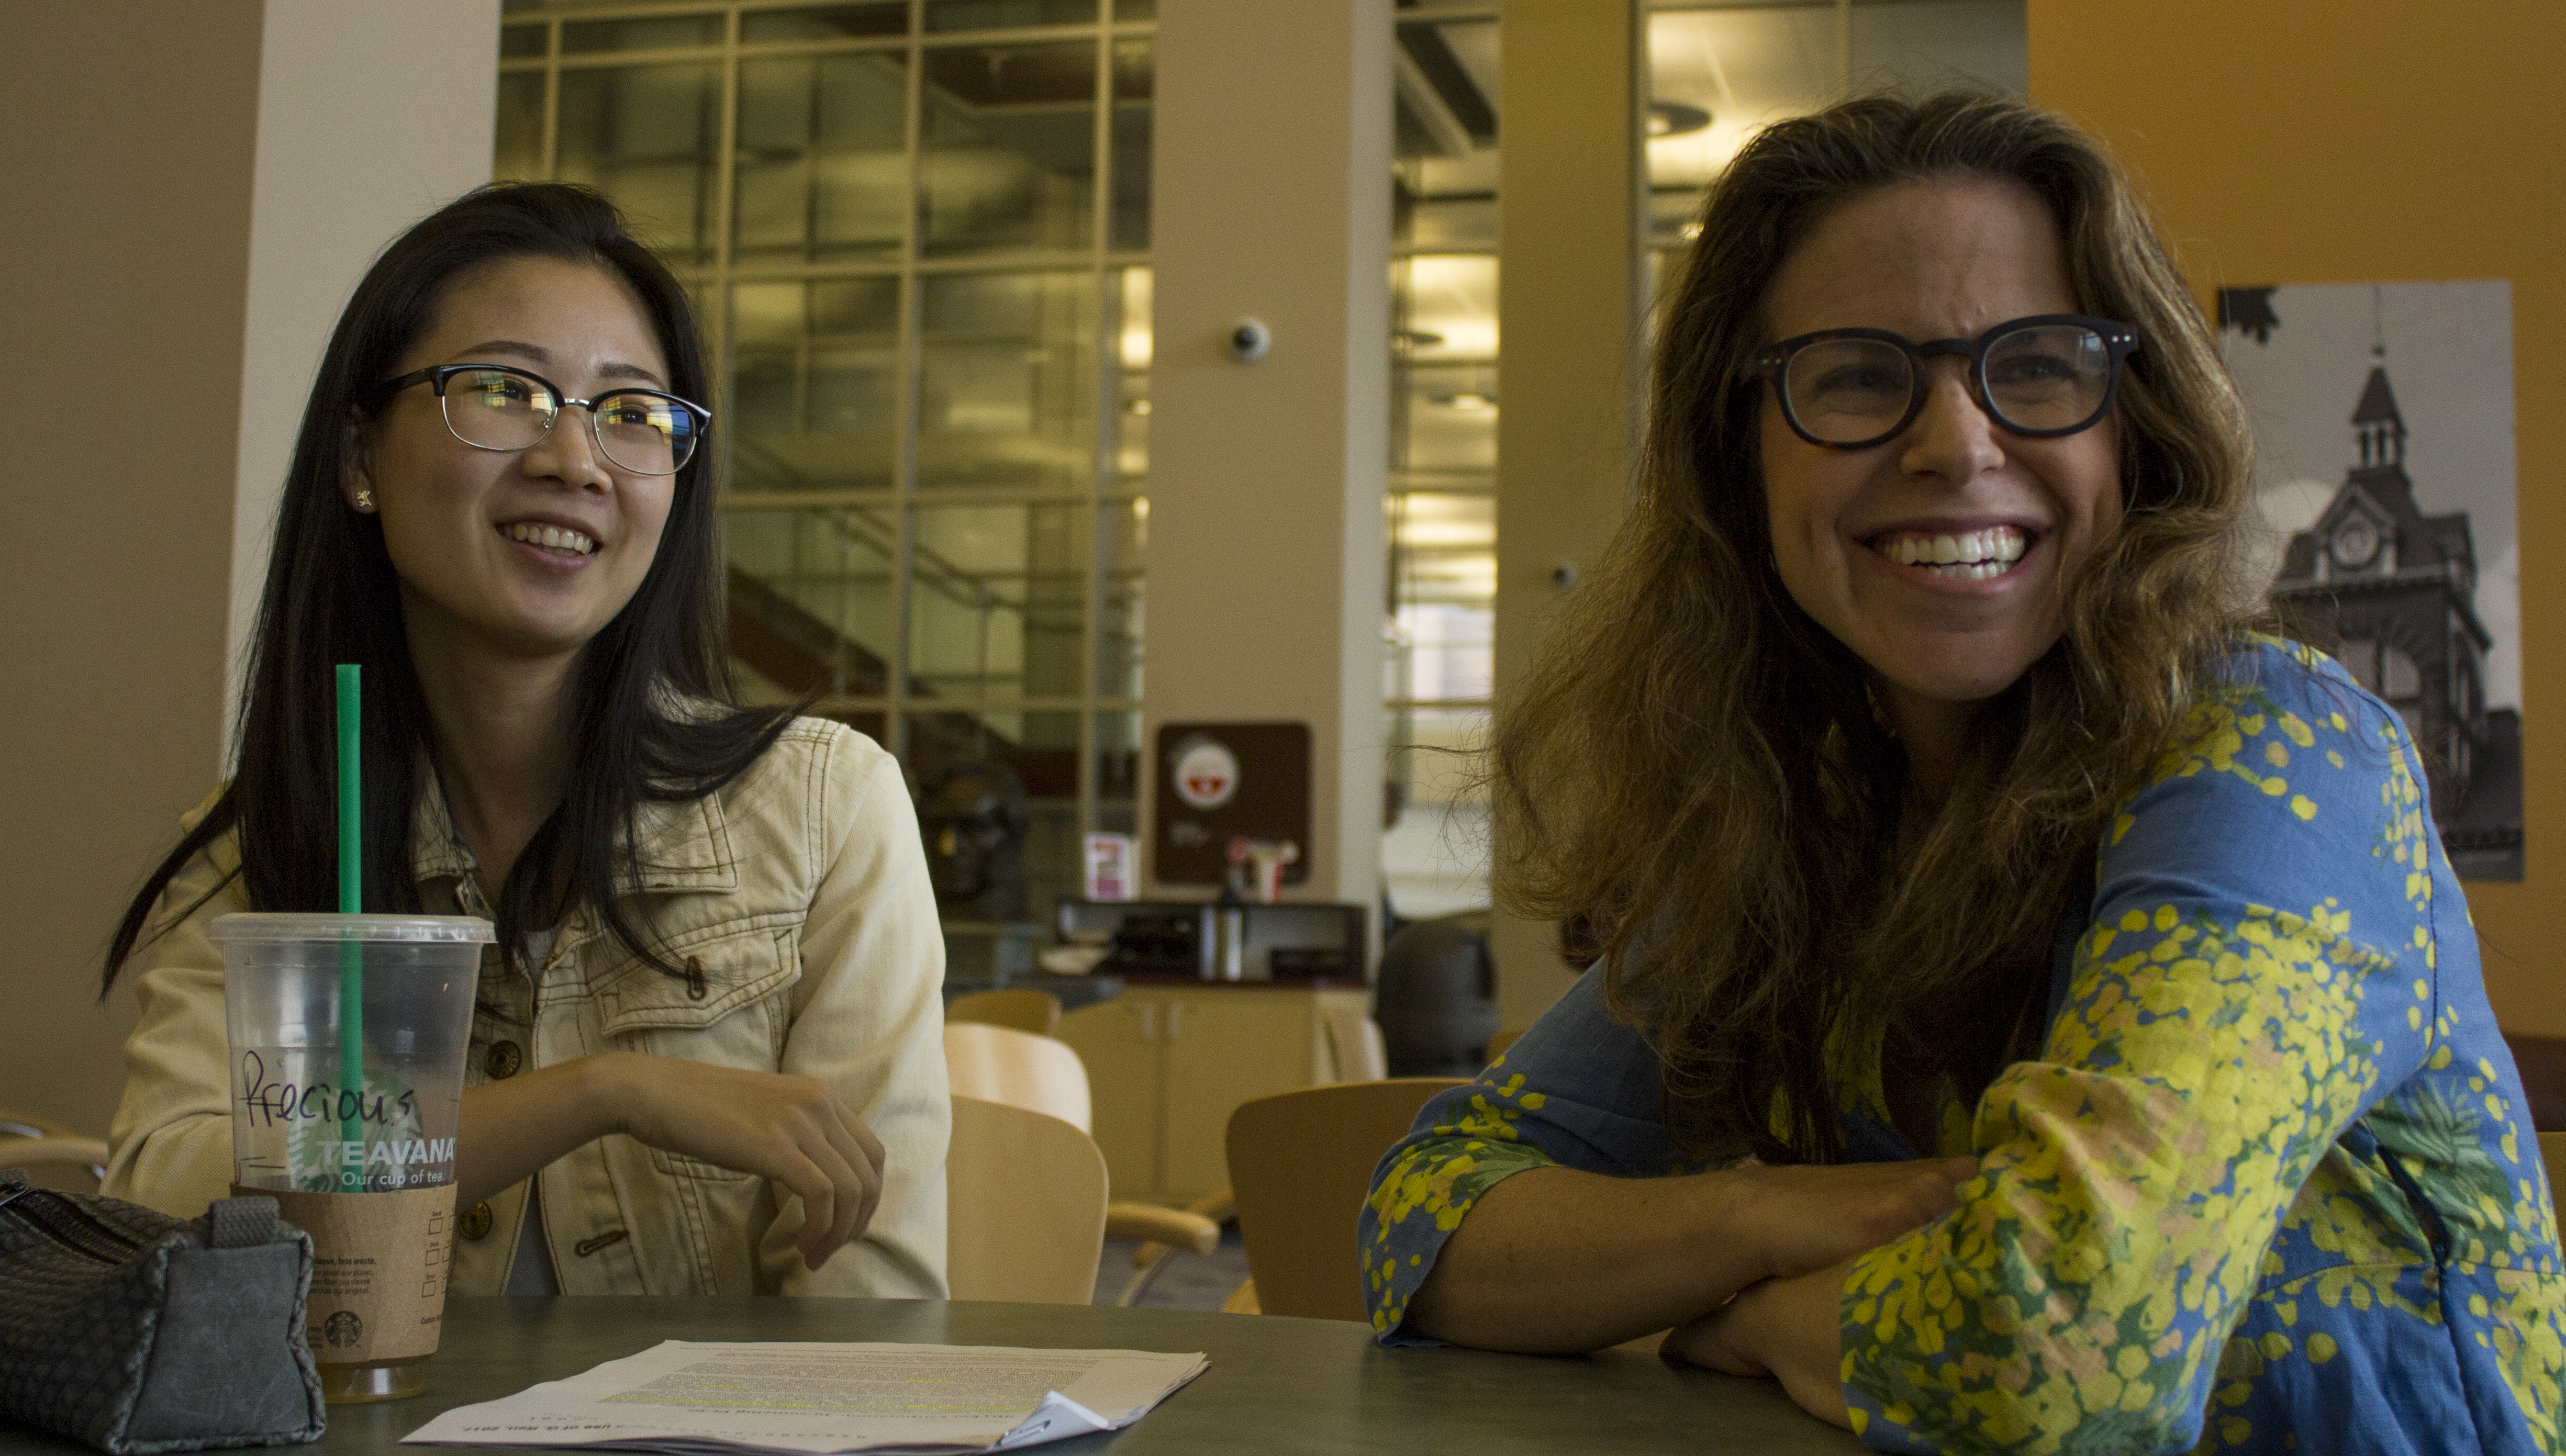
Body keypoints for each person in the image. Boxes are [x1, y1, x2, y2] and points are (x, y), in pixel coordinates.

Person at [1362, 94, 2562, 1454]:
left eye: (2038, 364)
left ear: (2134, 431)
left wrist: (1740, 1317)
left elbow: (2061, 1357)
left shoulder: (2279, 754)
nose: (1951, 441)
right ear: (1737, 455)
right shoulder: (1806, 811)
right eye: (1857, 375)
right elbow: (1426, 1214)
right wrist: (1767, 1214)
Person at [99, 183, 949, 1299]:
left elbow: (865, 1305)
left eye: (633, 411)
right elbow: (161, 1200)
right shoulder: (272, 842)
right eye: (504, 390)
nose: (575, 457)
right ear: (361, 456)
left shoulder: (827, 807)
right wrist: (599, 1091)